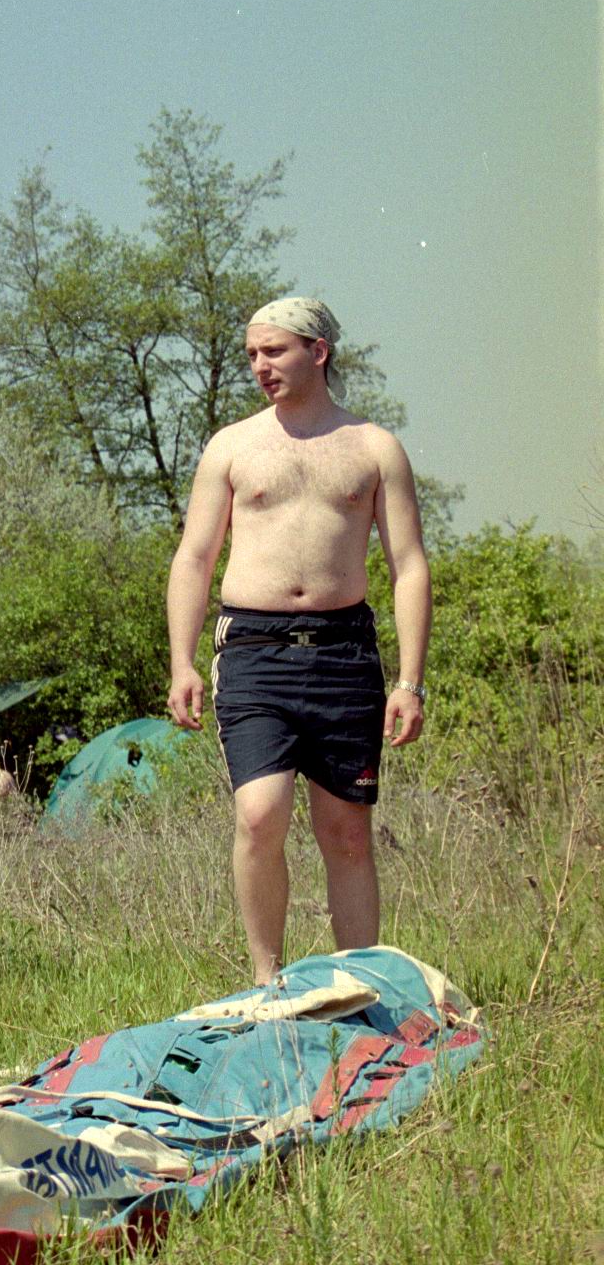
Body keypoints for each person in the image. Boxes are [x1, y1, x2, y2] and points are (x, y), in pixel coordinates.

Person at [165, 297, 429, 984]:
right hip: (254, 649)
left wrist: (410, 681)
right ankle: (267, 982)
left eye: (274, 351)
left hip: (345, 652)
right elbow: (194, 558)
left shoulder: (375, 447)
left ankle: (359, 985)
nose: (260, 365)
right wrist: (181, 662)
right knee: (260, 814)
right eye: (252, 354)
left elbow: (408, 565)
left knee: (346, 831)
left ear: (318, 351)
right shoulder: (231, 446)